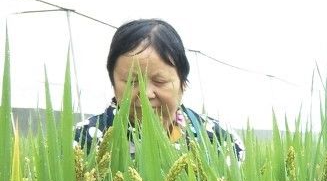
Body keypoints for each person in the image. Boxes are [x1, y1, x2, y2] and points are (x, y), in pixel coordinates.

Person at [74, 19, 244, 161]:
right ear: (113, 83)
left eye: (160, 81)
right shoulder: (83, 141)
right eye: (132, 81)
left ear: (183, 84)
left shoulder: (220, 139)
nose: (146, 94)